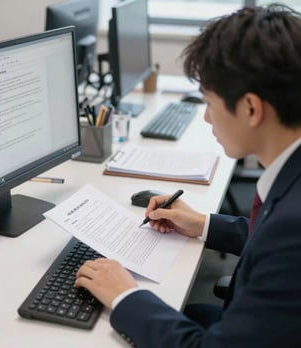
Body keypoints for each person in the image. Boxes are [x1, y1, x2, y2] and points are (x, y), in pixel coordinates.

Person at [75, 4, 301, 347]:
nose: (207, 119)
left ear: (251, 109)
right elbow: (271, 243)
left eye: (209, 102)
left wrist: (125, 296)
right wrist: (204, 224)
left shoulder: (293, 227)